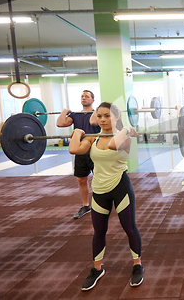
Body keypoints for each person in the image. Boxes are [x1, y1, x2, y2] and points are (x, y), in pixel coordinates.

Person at [69, 102, 143, 291]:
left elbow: (112, 144)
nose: (102, 120)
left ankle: (137, 265)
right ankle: (97, 269)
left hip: (120, 187)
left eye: (107, 116)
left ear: (117, 117)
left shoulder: (125, 139)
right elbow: (74, 149)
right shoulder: (92, 138)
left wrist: (126, 128)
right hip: (100, 190)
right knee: (98, 232)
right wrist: (77, 133)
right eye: (99, 116)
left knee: (129, 228)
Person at [57, 90, 101, 219]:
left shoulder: (97, 114)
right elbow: (60, 123)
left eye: (87, 96)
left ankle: (101, 205)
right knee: (81, 179)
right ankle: (86, 206)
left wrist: (96, 111)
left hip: (95, 151)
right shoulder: (75, 115)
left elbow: (93, 123)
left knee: (99, 179)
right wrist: (65, 111)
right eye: (82, 96)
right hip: (81, 151)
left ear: (93, 100)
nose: (84, 98)